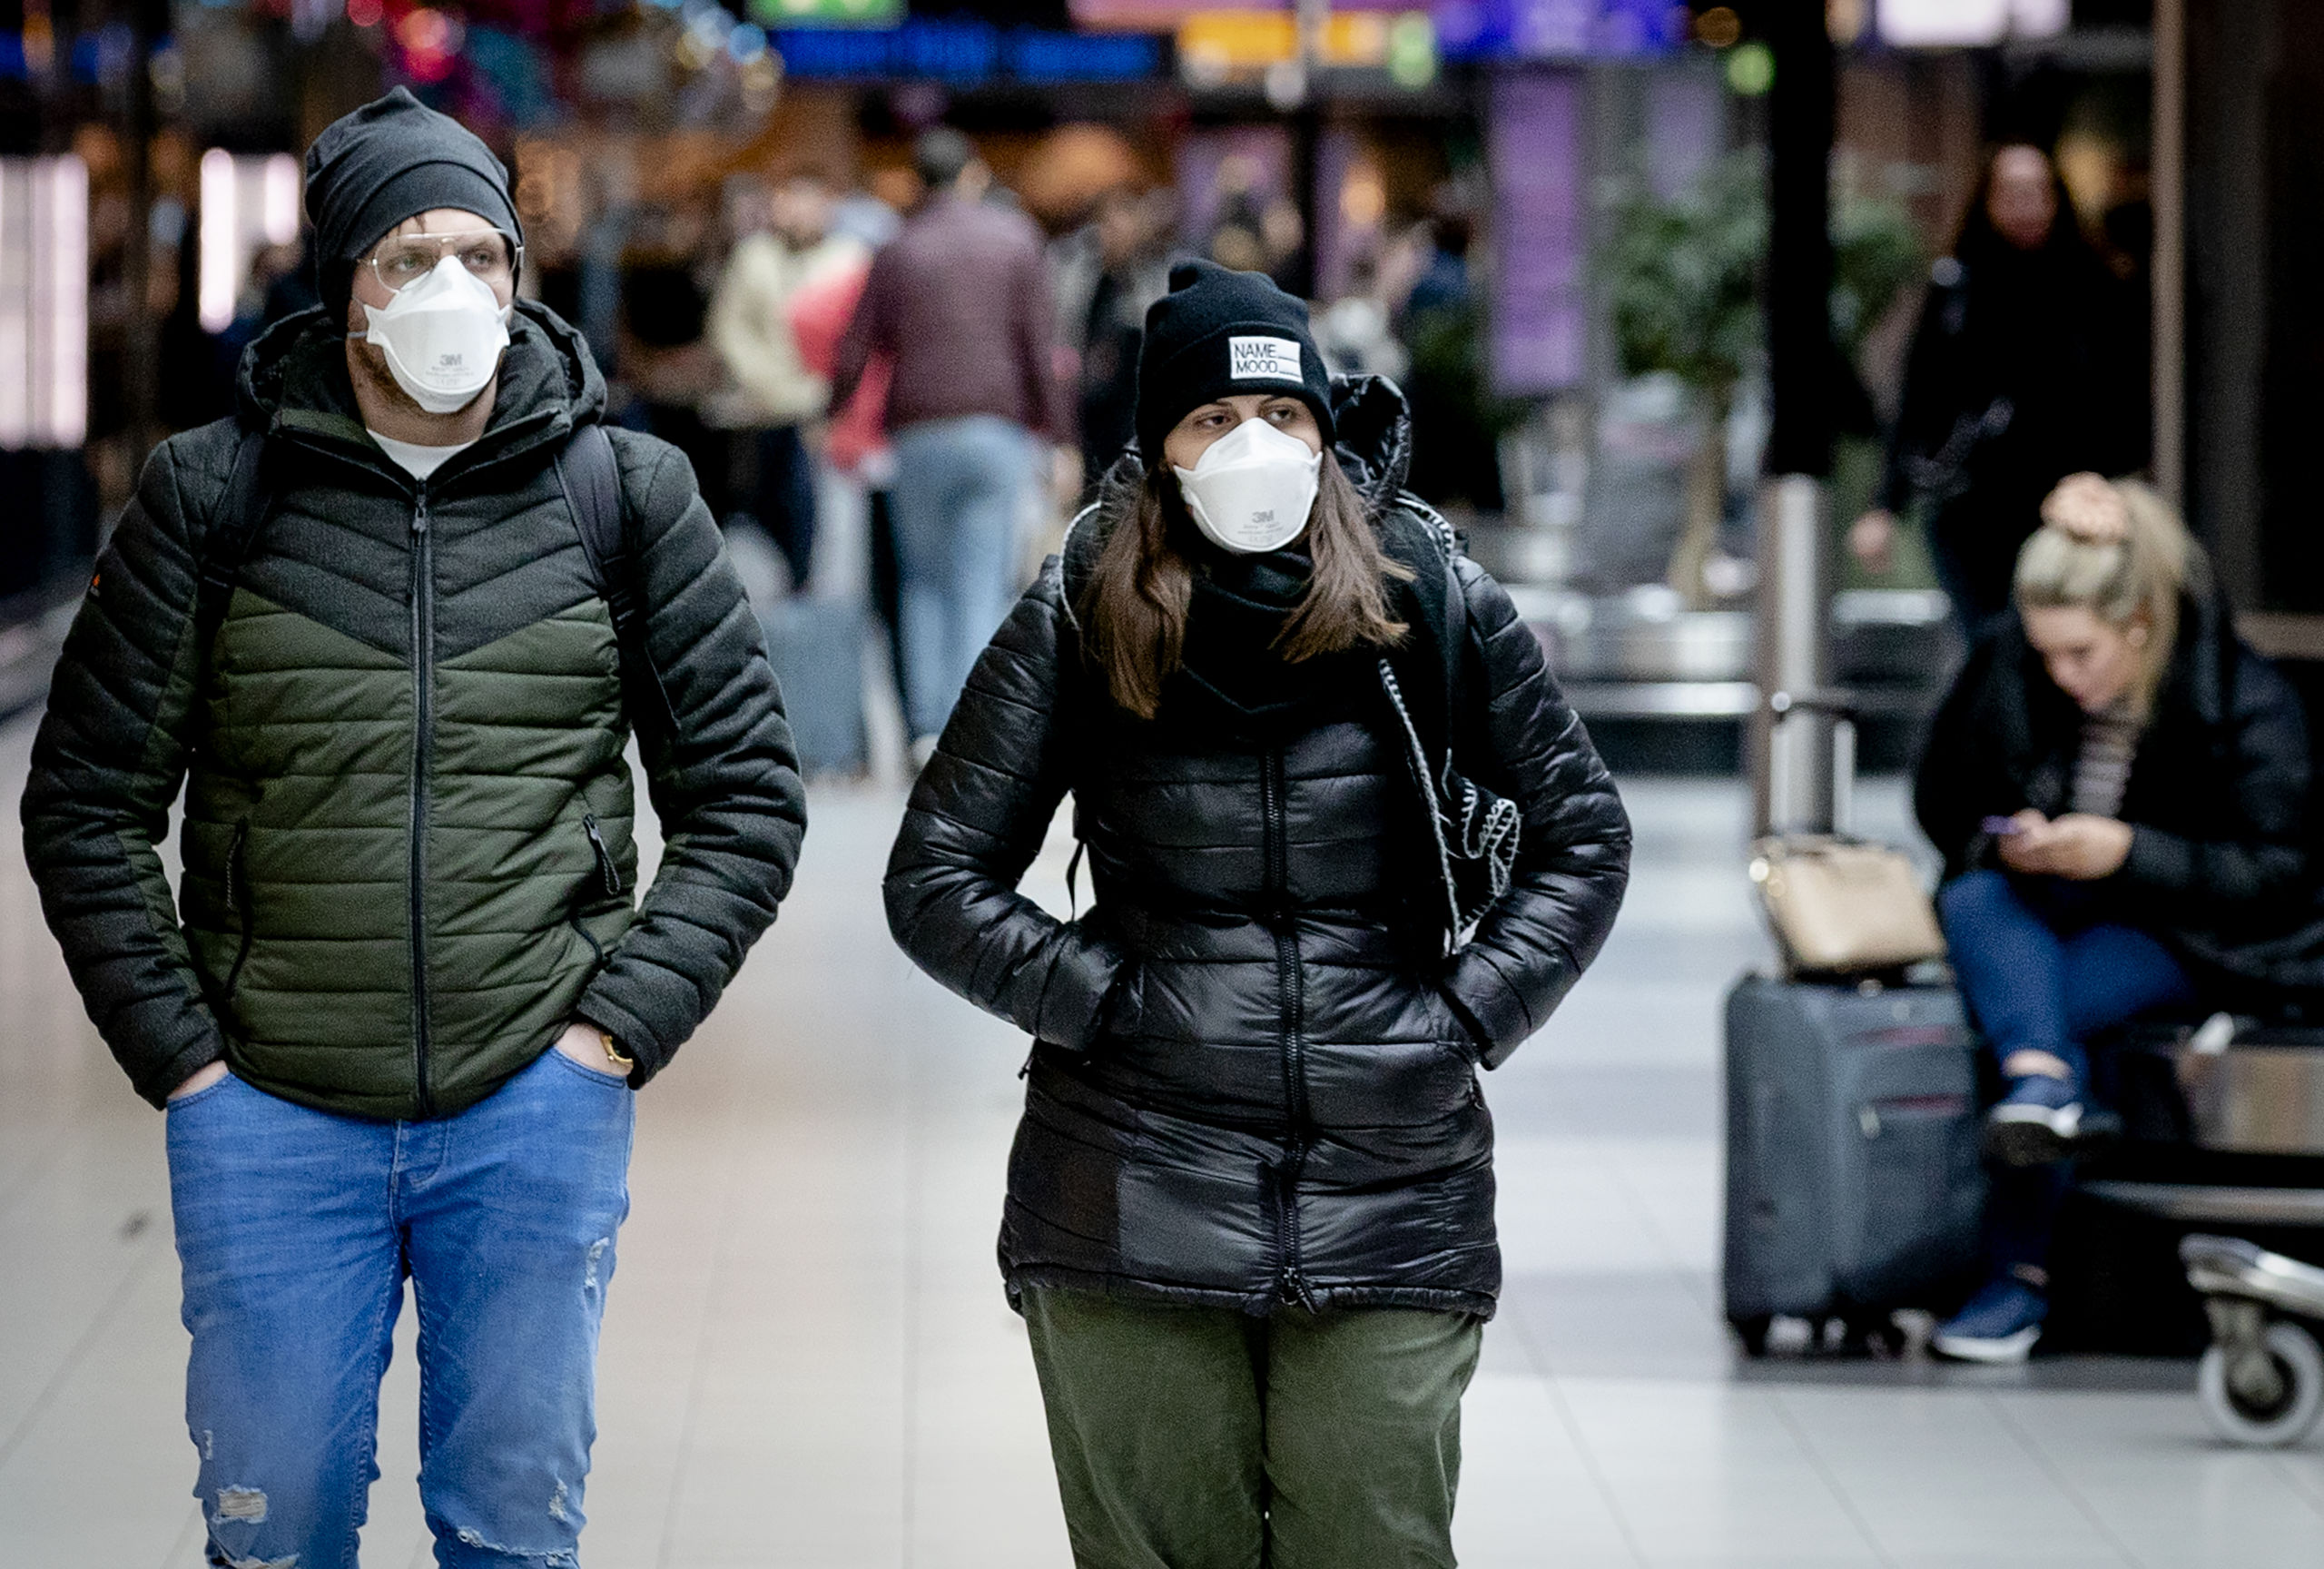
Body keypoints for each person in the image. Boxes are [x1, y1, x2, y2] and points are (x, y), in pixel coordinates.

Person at [21, 88, 806, 1566]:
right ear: (344, 293)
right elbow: (86, 799)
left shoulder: (624, 495)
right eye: (407, 257)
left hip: (534, 1098)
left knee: (513, 1529)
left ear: (519, 274)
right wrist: (183, 1059)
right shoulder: (213, 494)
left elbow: (747, 796)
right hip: (268, 1107)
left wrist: (615, 1031)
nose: (453, 288)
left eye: (481, 255)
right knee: (277, 1521)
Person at [884, 261, 1632, 1565]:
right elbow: (935, 875)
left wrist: (1463, 1017)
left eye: (1282, 416)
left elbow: (1584, 835)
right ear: (1159, 449)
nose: (1253, 447)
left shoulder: (1426, 591)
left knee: (1374, 1541)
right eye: (1211, 420)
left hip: (1389, 1172)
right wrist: (1108, 1003)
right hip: (1132, 1170)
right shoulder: (1086, 600)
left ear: (1325, 433)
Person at [1915, 472, 2309, 1363]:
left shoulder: (2243, 700)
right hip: (2036, 910)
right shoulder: (2017, 671)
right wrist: (2016, 838)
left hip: (2178, 929)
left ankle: (2018, 1263)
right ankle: (2045, 1085)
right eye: (2045, 652)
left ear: (2139, 624)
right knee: (1976, 900)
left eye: (2081, 653)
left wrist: (2127, 853)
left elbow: (2279, 873)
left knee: (2048, 1008)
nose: (2064, 674)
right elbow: (1944, 803)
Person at [831, 126, 1067, 761]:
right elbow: (1039, 349)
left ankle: (928, 729)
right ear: (972, 174)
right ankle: (974, 726)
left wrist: (832, 413)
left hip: (917, 433)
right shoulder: (1016, 239)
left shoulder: (897, 248)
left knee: (923, 583)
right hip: (995, 429)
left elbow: (857, 347)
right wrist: (1060, 435)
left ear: (918, 181)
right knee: (982, 580)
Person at [1851, 143, 2148, 632]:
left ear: (2057, 199)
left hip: (2067, 504)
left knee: (2055, 636)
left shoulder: (2090, 284)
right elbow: (1919, 398)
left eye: (2037, 193)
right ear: (1987, 201)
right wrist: (1884, 505)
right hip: (1973, 508)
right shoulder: (1958, 286)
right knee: (1989, 641)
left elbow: (2121, 398)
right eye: (2011, 194)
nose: (2026, 207)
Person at [707, 171, 869, 588]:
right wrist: (767, 380)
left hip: (829, 409)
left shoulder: (849, 259)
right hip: (765, 410)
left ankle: (811, 589)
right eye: (792, 201)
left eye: (810, 202)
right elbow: (729, 330)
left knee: (826, 518)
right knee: (767, 509)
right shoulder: (754, 257)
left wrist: (834, 388)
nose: (800, 212)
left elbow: (863, 337)